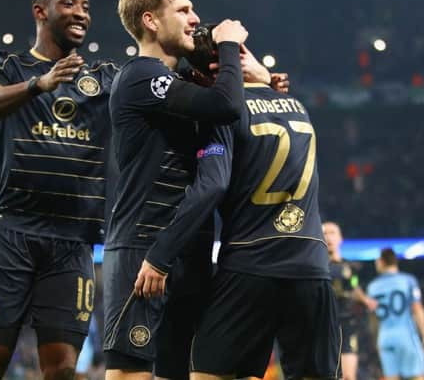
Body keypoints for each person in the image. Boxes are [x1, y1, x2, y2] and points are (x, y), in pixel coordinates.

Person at [104, 0, 281, 380]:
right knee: (129, 374)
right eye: (183, 9)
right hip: (144, 248)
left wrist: (265, 82)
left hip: (191, 252)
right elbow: (224, 104)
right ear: (150, 20)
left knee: (176, 372)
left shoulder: (182, 81)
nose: (195, 18)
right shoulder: (140, 76)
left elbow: (225, 110)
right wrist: (232, 47)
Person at [139, 24, 341, 379]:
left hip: (251, 264)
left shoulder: (224, 114)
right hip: (312, 266)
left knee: (206, 373)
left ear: (212, 73)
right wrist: (262, 73)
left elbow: (211, 186)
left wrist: (160, 255)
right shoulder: (298, 106)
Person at [0, 0, 118, 380]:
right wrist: (40, 84)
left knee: (63, 369)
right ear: (40, 10)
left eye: (86, 7)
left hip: (72, 242)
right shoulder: (10, 66)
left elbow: (152, 88)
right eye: (69, 3)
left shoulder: (103, 77)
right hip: (12, 233)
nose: (81, 13)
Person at [367, 248, 424, 380]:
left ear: (381, 262)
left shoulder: (372, 287)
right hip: (406, 335)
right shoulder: (408, 280)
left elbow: (373, 318)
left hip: (384, 337)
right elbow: (418, 309)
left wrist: (376, 340)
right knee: (418, 376)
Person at [323, 221, 377, 380]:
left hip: (346, 325)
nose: (328, 237)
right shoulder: (315, 266)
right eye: (325, 233)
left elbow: (354, 287)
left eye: (332, 233)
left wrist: (366, 300)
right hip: (322, 326)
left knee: (348, 376)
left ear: (340, 238)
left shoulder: (349, 268)